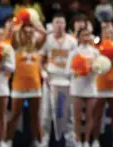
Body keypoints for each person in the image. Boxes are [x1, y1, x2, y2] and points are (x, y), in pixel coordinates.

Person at [40, 13, 77, 147]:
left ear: (65, 25)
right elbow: (41, 60)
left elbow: (76, 62)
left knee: (69, 113)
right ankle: (44, 141)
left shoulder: (72, 41)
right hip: (50, 80)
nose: (59, 25)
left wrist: (73, 77)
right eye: (57, 22)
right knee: (46, 113)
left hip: (67, 80)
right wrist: (43, 73)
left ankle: (70, 141)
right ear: (52, 24)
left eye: (62, 22)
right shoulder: (47, 40)